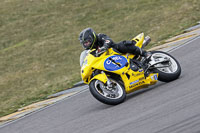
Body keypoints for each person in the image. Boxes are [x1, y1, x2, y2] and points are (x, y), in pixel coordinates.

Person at [79, 28, 151, 58]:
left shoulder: (100, 36)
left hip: (115, 51)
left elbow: (108, 40)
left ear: (92, 37)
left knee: (121, 45)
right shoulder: (89, 51)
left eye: (88, 42)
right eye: (85, 43)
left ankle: (144, 53)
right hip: (106, 60)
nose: (87, 44)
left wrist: (104, 47)